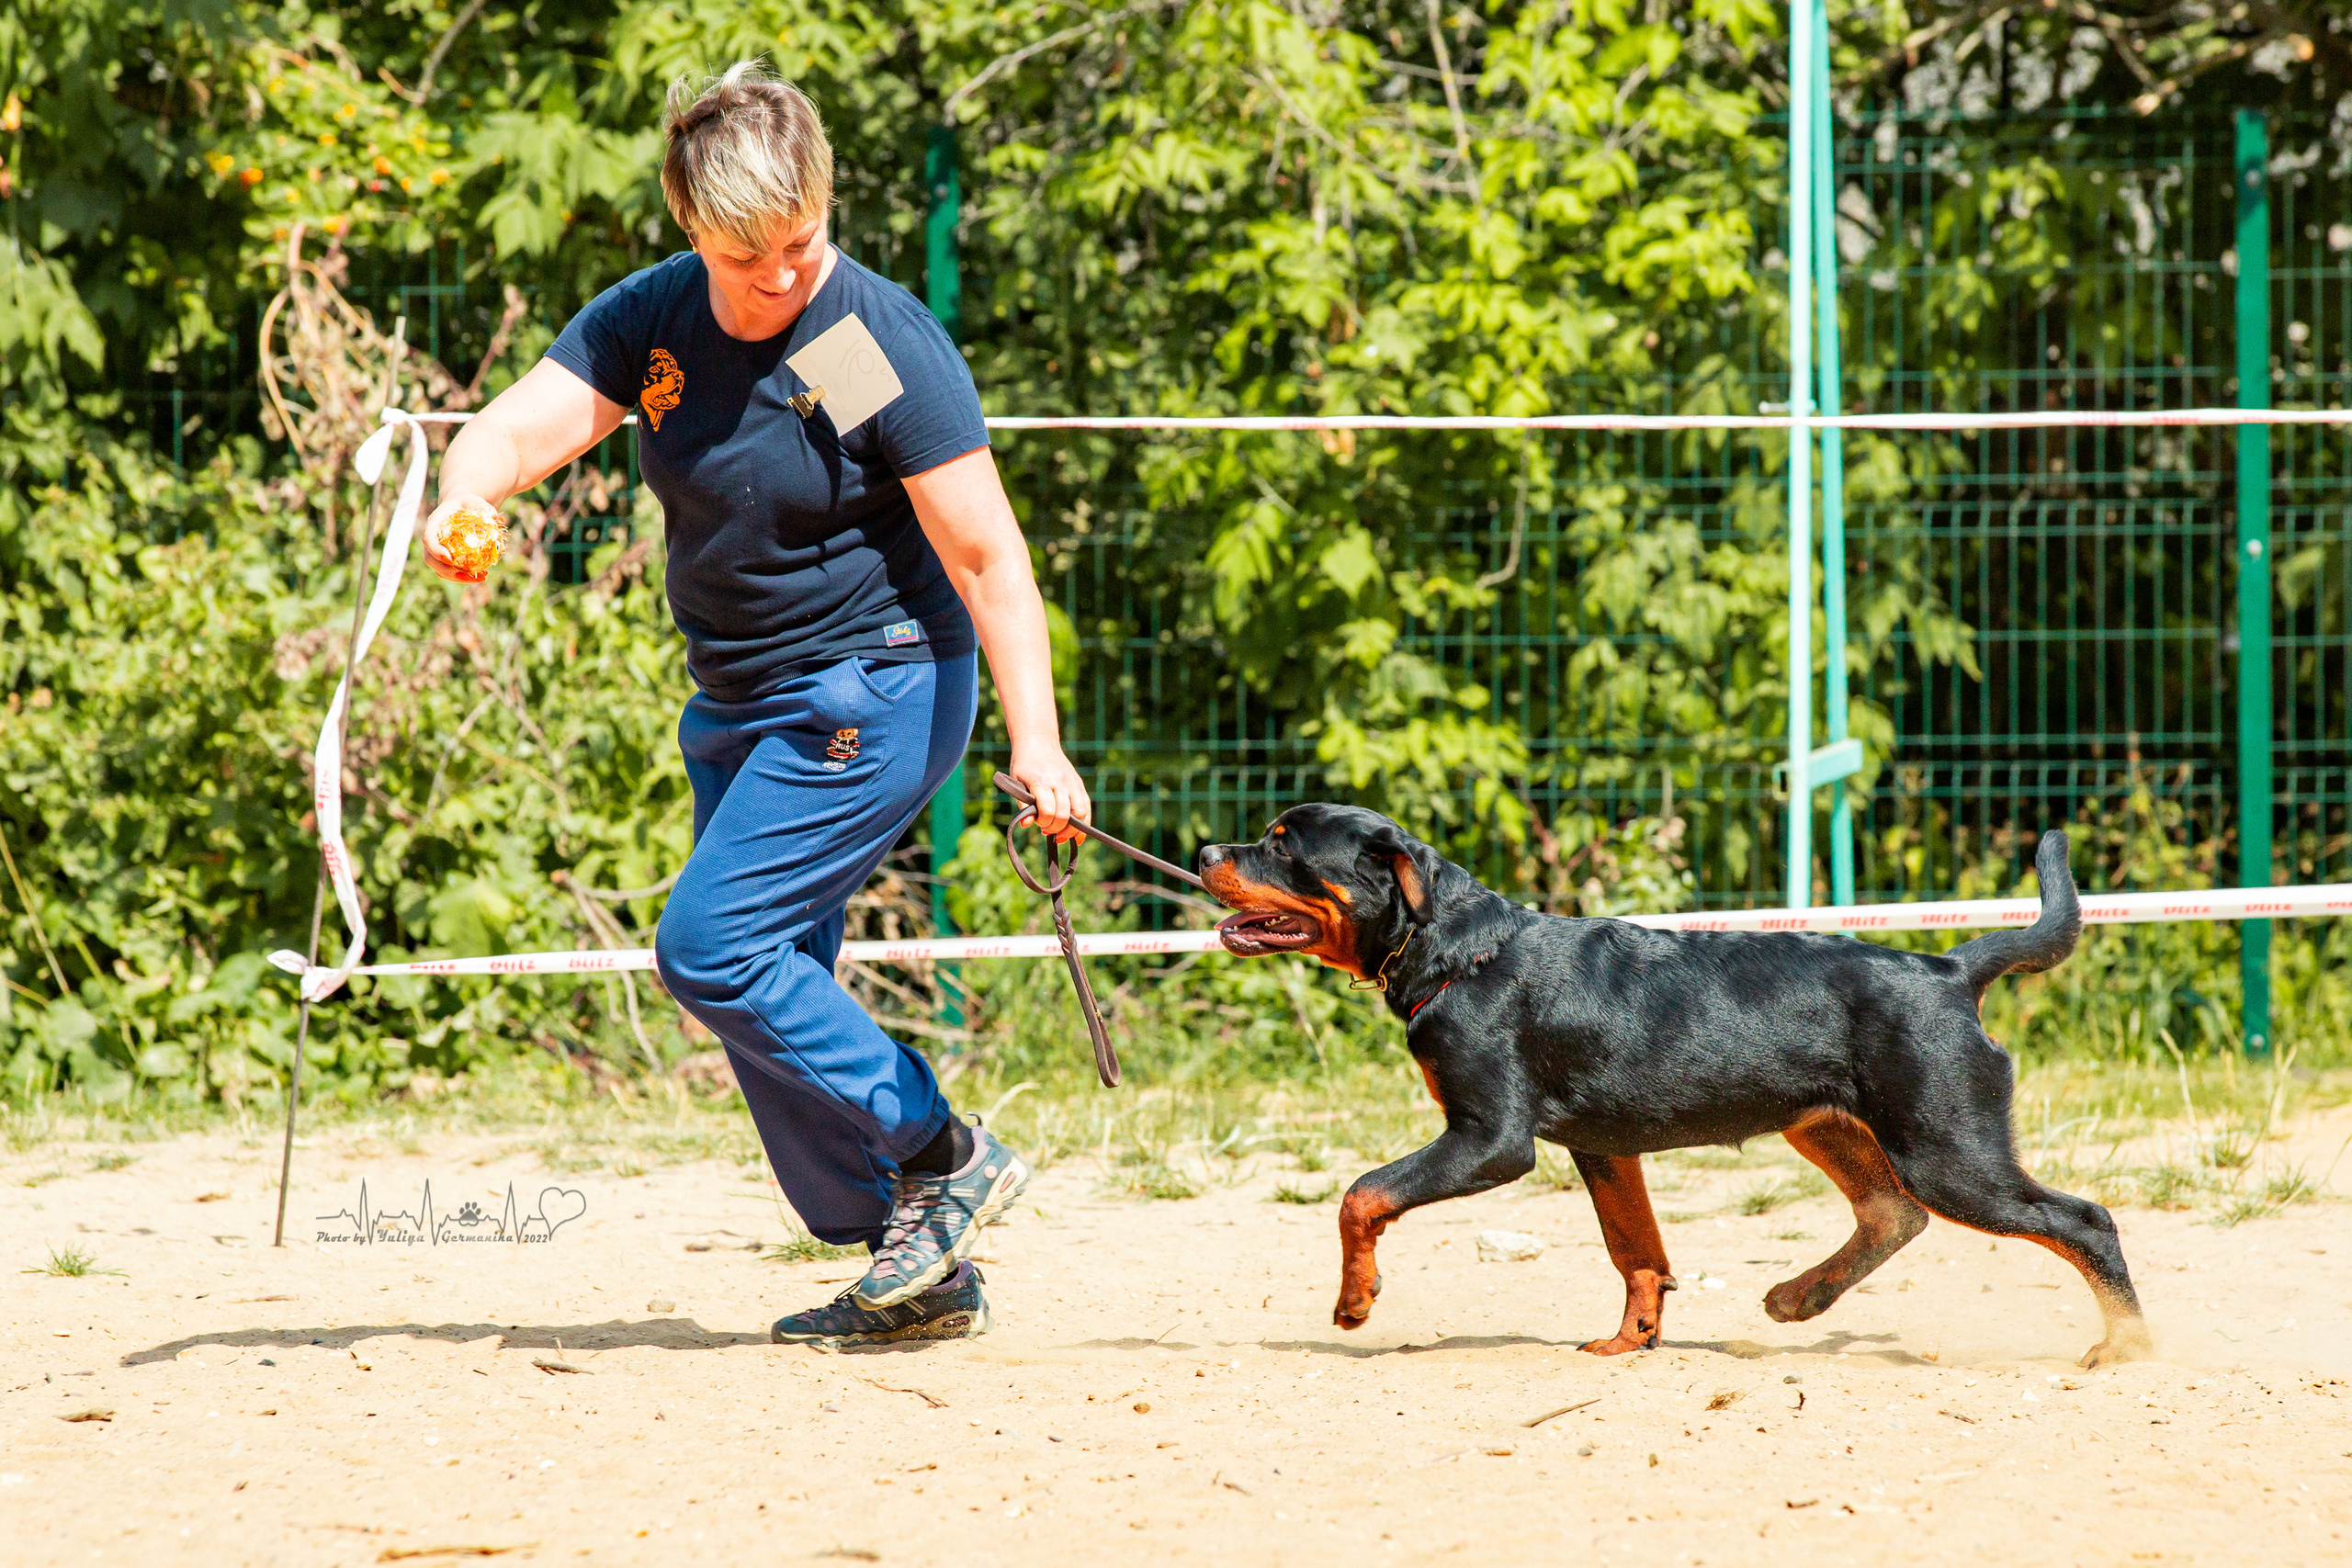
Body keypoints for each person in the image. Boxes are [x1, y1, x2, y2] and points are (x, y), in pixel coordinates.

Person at [422, 62, 1089, 1347]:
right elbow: (505, 436)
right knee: (774, 971)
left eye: (802, 242)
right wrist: (470, 497)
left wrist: (1038, 742)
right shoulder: (654, 324)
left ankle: (942, 1152)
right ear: (689, 228)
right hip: (735, 700)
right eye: (748, 257)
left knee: (710, 948)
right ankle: (914, 1260)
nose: (783, 277)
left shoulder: (850, 342)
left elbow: (988, 558)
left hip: (879, 680)